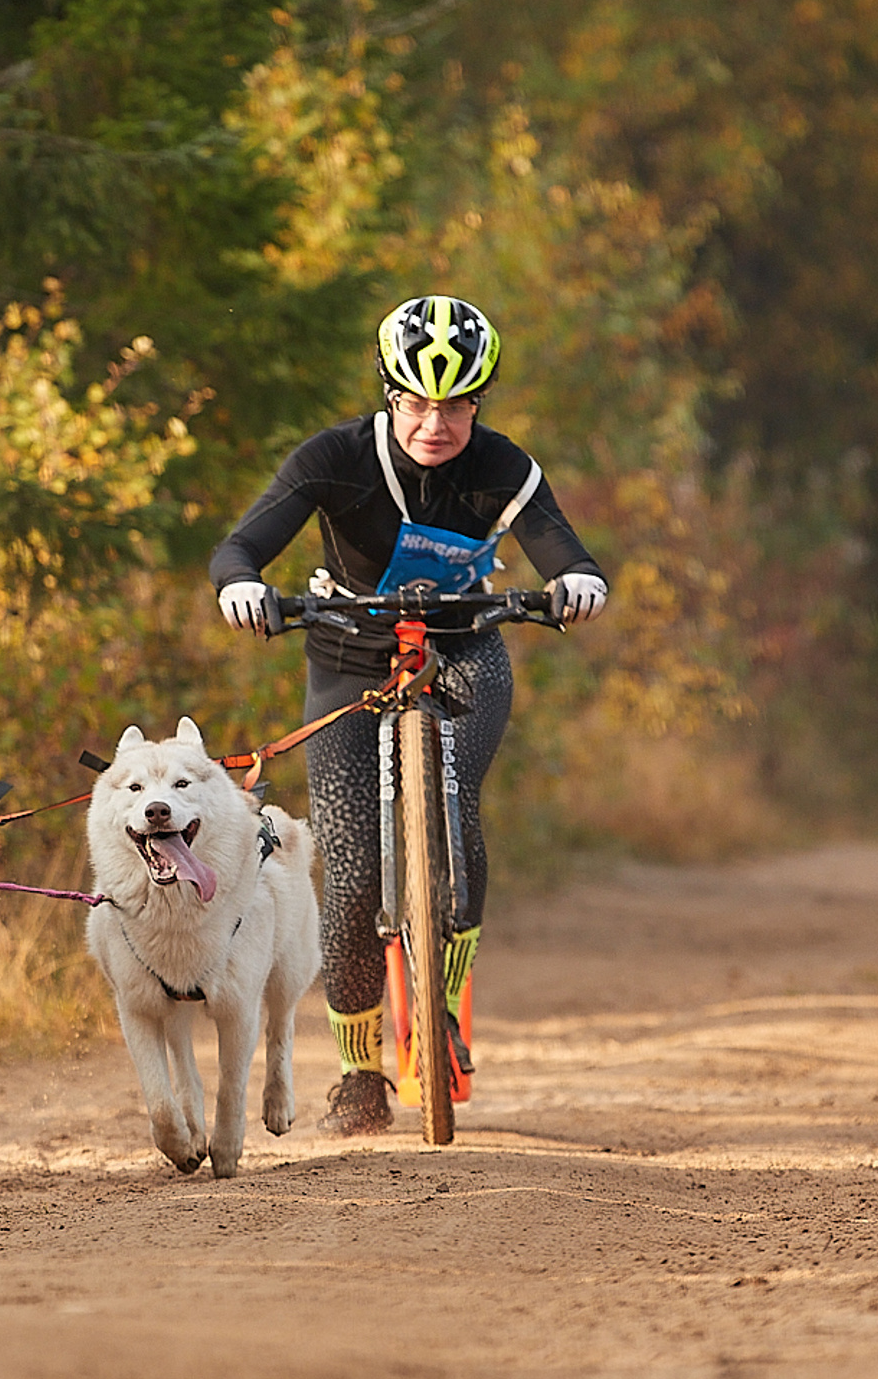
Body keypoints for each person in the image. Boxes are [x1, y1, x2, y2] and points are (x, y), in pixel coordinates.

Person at [208, 295, 608, 1135]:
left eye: (455, 404)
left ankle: (445, 1005)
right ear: (390, 396)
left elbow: (558, 544)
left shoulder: (503, 466)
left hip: (463, 645)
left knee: (455, 819)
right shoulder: (333, 459)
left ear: (477, 403)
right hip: (349, 652)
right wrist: (240, 585)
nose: (435, 422)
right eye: (417, 403)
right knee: (351, 873)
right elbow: (242, 546)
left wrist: (578, 580)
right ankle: (358, 1069)